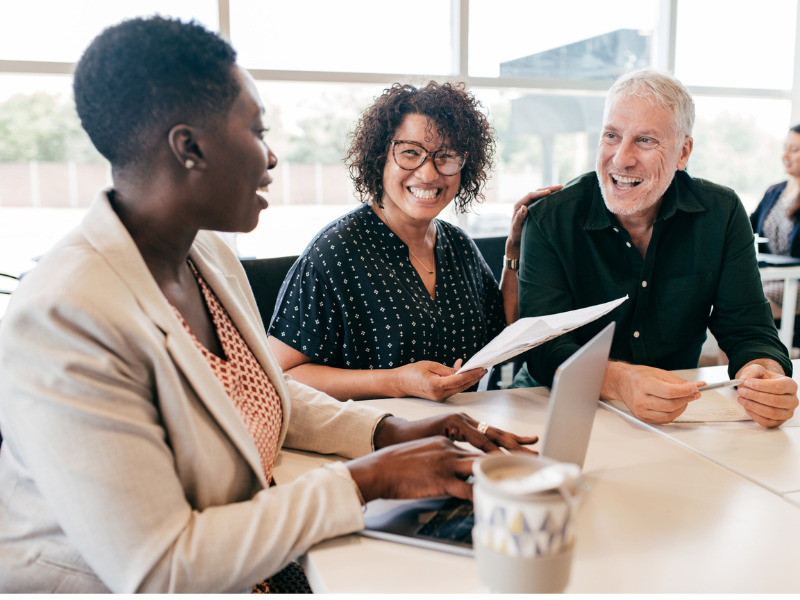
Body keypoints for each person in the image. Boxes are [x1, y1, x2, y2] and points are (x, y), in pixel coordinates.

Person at [0, 17, 538, 593]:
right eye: (257, 131)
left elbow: (266, 395)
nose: (273, 156)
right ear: (190, 147)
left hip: (257, 559)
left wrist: (391, 432)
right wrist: (367, 480)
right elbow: (161, 568)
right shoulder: (63, 317)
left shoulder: (206, 256)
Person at [515, 68, 798, 428]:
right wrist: (621, 381)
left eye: (645, 140)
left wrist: (764, 375)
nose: (621, 158)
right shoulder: (550, 219)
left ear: (683, 152)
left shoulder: (722, 213)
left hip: (674, 413)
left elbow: (749, 330)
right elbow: (544, 348)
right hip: (554, 403)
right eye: (611, 136)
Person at [267, 81, 560, 401]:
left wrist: (514, 252)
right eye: (411, 153)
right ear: (380, 157)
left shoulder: (458, 245)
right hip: (374, 437)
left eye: (446, 156)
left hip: (460, 429)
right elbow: (281, 375)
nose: (429, 174)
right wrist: (395, 381)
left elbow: (502, 330)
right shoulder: (335, 253)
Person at [750, 124, 800, 323]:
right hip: (770, 276)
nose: (785, 156)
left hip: (796, 282)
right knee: (728, 302)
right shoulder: (774, 192)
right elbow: (746, 229)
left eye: (794, 150)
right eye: (785, 148)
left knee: (747, 309)